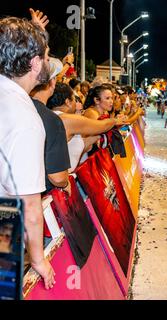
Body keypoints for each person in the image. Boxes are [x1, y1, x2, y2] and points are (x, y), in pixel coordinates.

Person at [0, 16, 55, 289]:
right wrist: (38, 260)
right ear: (34, 63)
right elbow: (30, 205)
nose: (49, 62)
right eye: (45, 57)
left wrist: (34, 35)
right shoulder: (26, 119)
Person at [30, 58, 71, 192]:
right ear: (52, 83)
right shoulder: (52, 120)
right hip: (39, 200)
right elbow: (58, 177)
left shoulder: (17, 107)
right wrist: (66, 184)